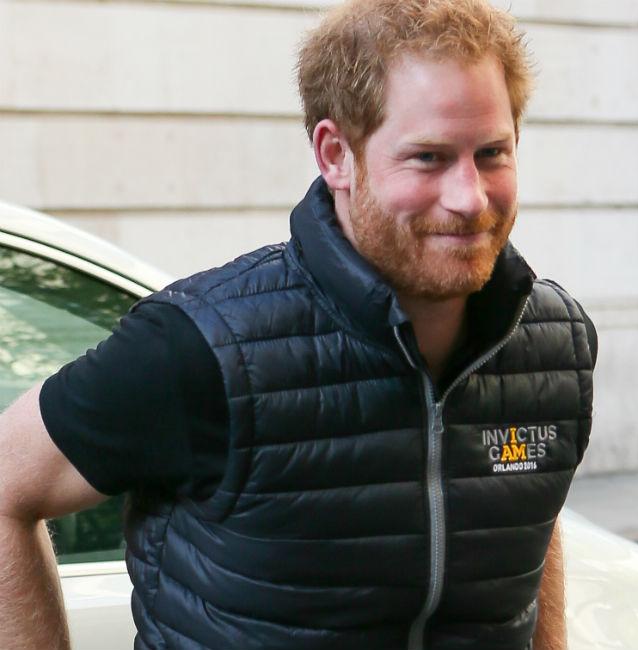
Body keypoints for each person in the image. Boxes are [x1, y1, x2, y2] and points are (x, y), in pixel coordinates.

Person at [0, 0, 597, 648]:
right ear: (335, 154)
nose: (469, 197)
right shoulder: (200, 348)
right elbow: (7, 483)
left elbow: (529, 518)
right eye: (428, 157)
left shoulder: (554, 343)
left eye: (492, 153)